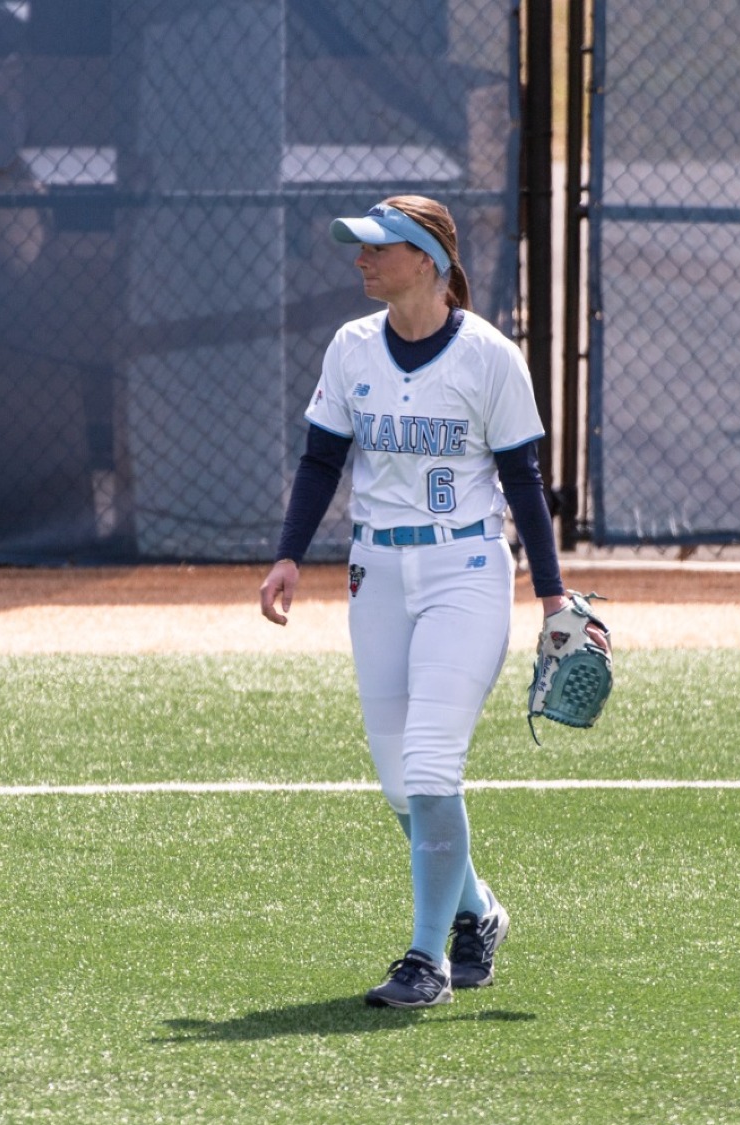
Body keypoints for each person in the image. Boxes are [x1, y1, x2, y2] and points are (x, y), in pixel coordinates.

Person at [258, 195, 606, 1008]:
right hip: (375, 575)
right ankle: (478, 911)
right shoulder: (351, 349)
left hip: (465, 573)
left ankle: (426, 959)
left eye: (377, 247)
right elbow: (320, 462)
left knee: (428, 765)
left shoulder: (489, 356)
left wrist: (551, 595)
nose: (360, 259)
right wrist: (287, 556)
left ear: (427, 260)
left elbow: (524, 480)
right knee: (396, 785)